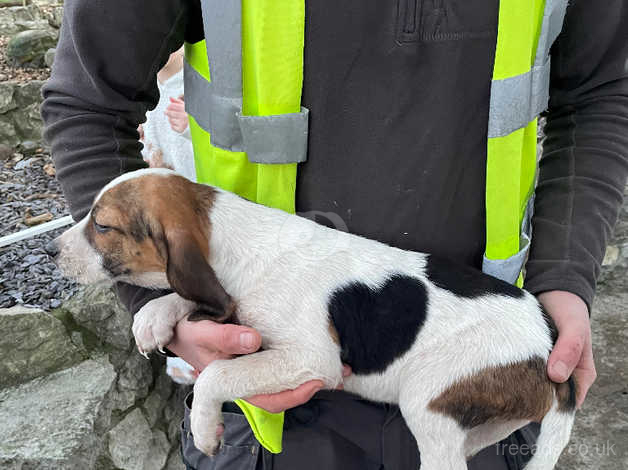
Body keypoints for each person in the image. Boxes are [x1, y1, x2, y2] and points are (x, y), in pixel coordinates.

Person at [41, 1, 628, 469]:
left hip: (483, 370)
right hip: (272, 416)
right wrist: (163, 303)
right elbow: (88, 101)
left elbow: (602, 94)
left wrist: (565, 278)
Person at [140, 47, 197, 182]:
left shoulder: (196, 85)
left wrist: (192, 125)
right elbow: (148, 145)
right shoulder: (144, 90)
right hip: (161, 189)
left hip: (194, 187)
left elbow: (219, 137)